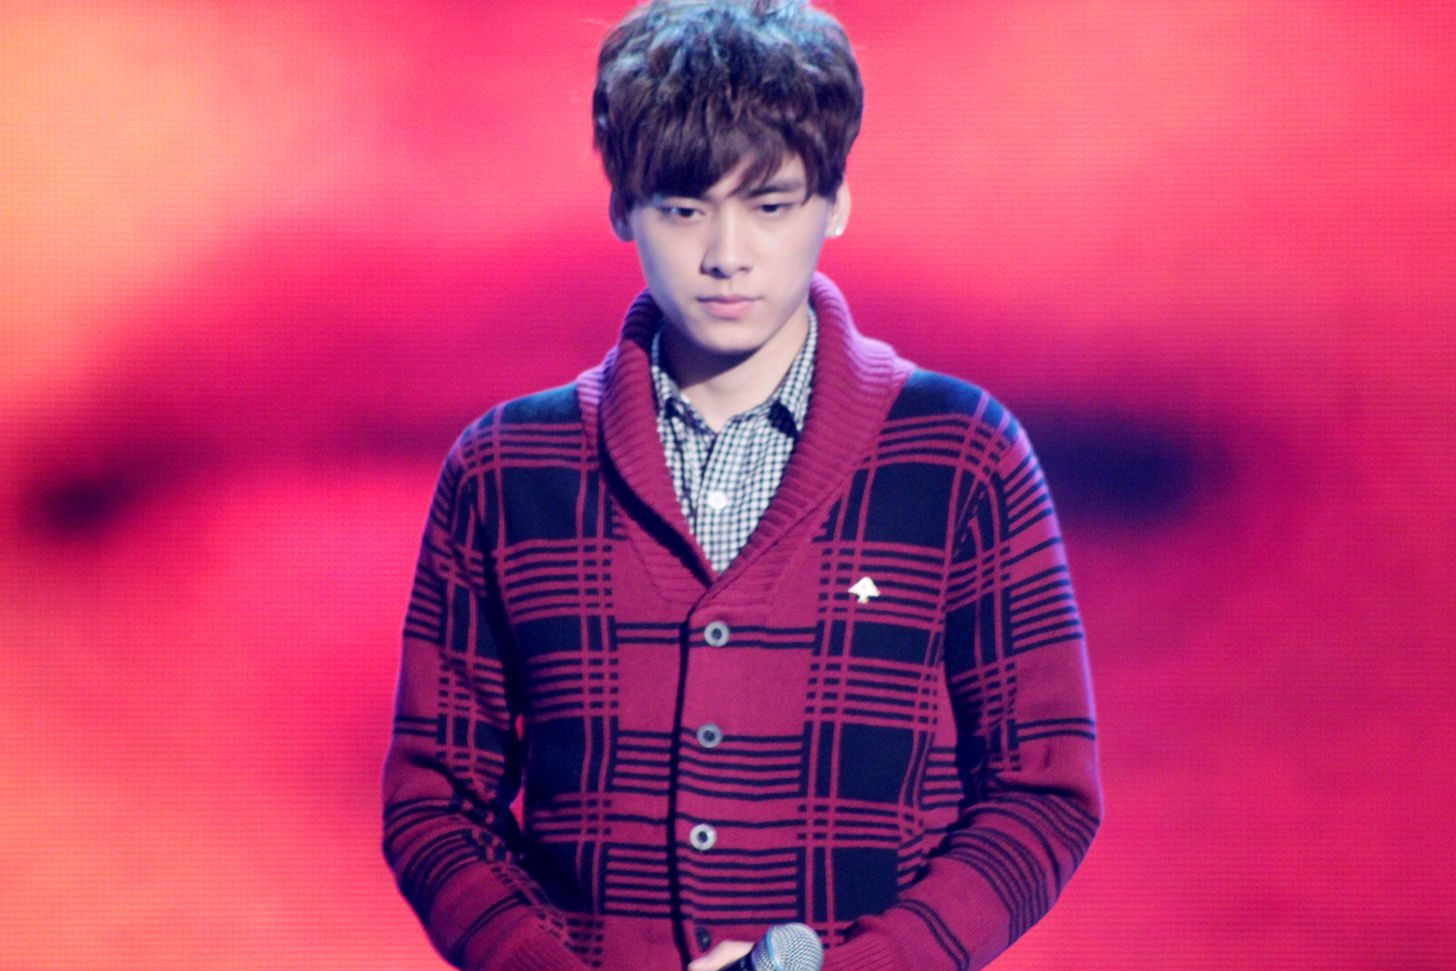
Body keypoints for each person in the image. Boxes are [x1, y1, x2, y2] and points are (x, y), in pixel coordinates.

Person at [382, 2, 1101, 969]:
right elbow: (434, 800)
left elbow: (1042, 790)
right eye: (685, 208)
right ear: (622, 206)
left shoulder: (963, 453)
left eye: (770, 205)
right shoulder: (506, 468)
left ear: (834, 202)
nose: (727, 255)